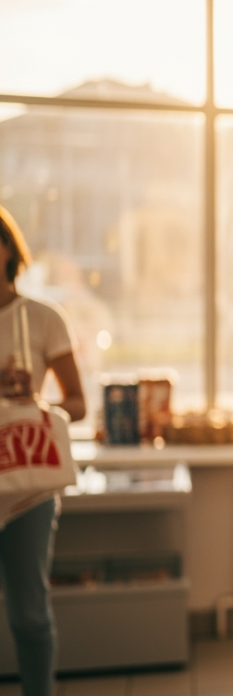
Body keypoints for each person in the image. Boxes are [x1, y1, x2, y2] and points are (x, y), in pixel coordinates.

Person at [0, 205, 86, 696]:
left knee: (29, 612)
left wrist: (33, 409)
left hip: (28, 489)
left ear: (7, 249)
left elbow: (77, 404)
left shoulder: (42, 318)